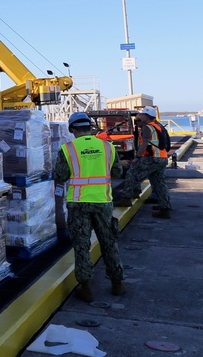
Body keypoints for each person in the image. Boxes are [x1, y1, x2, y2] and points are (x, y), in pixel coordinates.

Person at [54, 111, 126, 302]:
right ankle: (117, 283)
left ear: (72, 129)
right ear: (90, 127)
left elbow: (60, 176)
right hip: (103, 202)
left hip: (78, 204)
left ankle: (86, 287)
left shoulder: (67, 149)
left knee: (81, 245)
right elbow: (118, 172)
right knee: (109, 242)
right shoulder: (108, 147)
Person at [122, 106, 172, 218]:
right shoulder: (158, 126)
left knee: (132, 173)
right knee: (159, 183)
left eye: (142, 115)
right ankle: (164, 208)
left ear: (146, 116)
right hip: (162, 158)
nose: (140, 117)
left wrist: (137, 157)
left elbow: (145, 143)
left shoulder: (147, 128)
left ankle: (126, 198)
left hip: (152, 158)